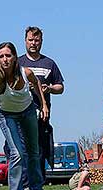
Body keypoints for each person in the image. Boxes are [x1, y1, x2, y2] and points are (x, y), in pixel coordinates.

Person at [0, 42, 49, 190]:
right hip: (7, 115)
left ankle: (36, 189)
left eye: (8, 55)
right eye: (1, 56)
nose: (5, 59)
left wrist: (43, 105)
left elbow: (36, 83)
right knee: (17, 153)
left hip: (28, 111)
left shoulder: (26, 72)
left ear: (15, 57)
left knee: (33, 151)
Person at [18, 26, 64, 181]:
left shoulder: (49, 63)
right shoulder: (18, 63)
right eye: (30, 40)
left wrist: (49, 88)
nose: (33, 43)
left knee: (39, 150)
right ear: (25, 41)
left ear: (41, 42)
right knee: (21, 150)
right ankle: (21, 185)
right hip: (20, 112)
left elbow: (61, 87)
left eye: (36, 40)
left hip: (42, 114)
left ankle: (37, 185)